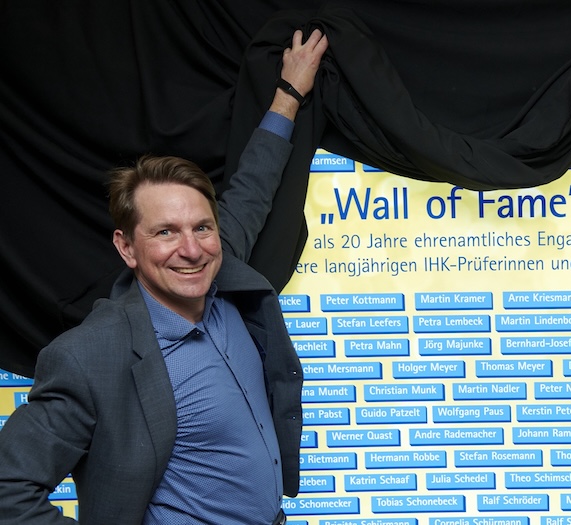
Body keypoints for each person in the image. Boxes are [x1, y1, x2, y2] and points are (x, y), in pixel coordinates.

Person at [0, 28, 328, 524]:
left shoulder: (219, 267)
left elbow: (253, 186)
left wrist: (290, 93)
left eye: (202, 227)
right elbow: (8, 489)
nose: (191, 249)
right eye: (165, 233)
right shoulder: (91, 357)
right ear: (126, 247)